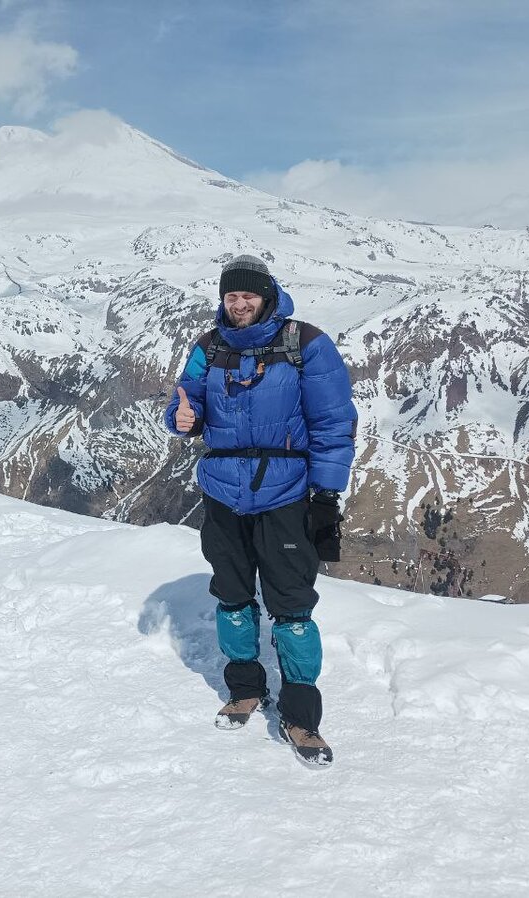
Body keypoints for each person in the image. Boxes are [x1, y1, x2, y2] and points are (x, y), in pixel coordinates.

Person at [164, 254, 356, 766]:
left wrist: (325, 495)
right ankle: (245, 687)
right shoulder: (208, 348)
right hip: (223, 493)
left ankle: (301, 715)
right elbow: (187, 404)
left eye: (248, 295)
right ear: (222, 300)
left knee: (292, 607)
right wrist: (181, 419)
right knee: (231, 597)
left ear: (267, 295)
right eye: (231, 296)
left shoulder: (306, 344)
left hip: (286, 494)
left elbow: (333, 422)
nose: (240, 303)